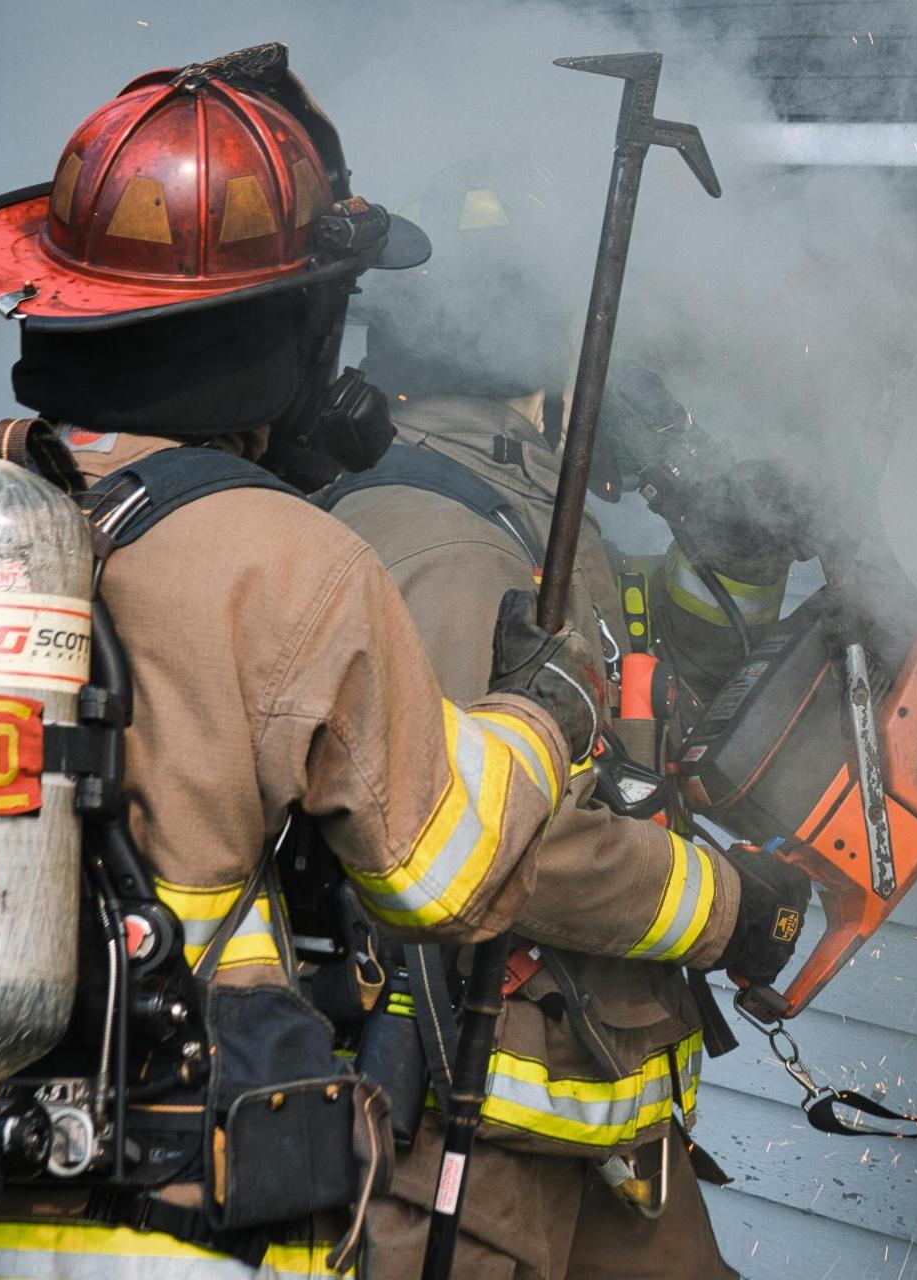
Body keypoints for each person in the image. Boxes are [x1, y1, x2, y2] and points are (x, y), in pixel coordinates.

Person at [0, 45, 604, 1280]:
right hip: (184, 1231)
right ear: (291, 323)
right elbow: (442, 873)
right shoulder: (298, 566)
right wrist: (542, 711)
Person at [324, 318, 817, 1275]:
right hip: (469, 1132)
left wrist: (739, 554)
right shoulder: (460, 554)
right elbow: (502, 842)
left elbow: (636, 696)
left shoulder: (519, 520)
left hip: (584, 1113)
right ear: (556, 378)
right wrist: (732, 909)